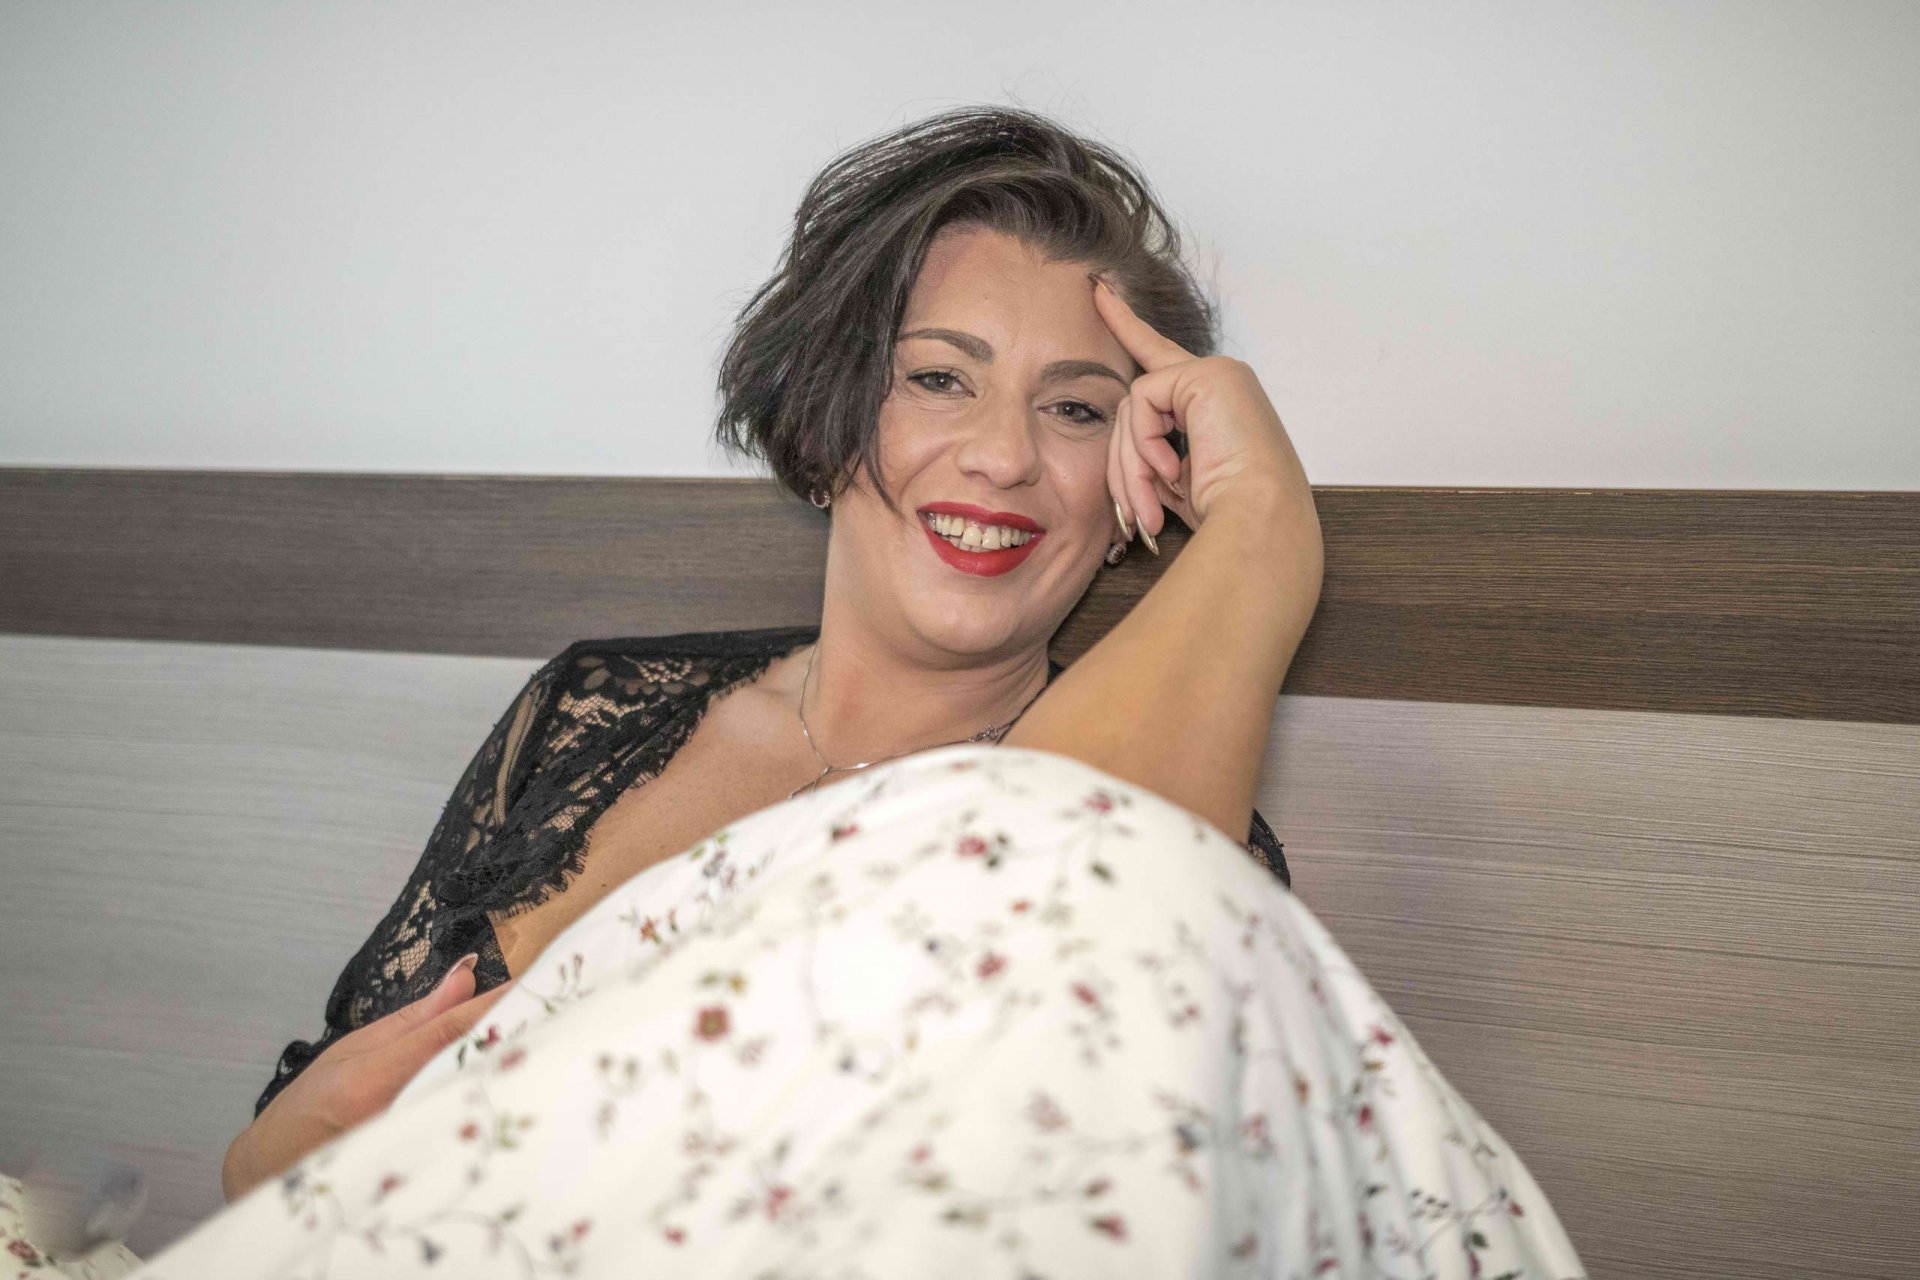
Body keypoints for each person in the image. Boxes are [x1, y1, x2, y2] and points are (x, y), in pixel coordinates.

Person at [165, 106, 1589, 1278]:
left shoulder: (1167, 853)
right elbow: (303, 1139)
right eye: (939, 380)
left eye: (1077, 409)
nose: (1004, 457)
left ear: (1137, 488)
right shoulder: (597, 708)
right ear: (831, 414)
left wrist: (1269, 526)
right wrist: (267, 1154)